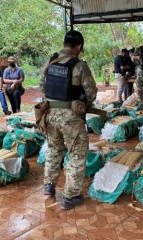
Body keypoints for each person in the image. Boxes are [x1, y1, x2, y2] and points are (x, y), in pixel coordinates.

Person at [39, 30, 97, 210]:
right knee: (77, 153)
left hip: (48, 115)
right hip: (71, 117)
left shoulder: (50, 61)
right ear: (78, 46)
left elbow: (42, 86)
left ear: (64, 43)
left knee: (54, 149)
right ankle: (71, 196)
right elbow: (91, 93)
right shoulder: (79, 65)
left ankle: (49, 185)